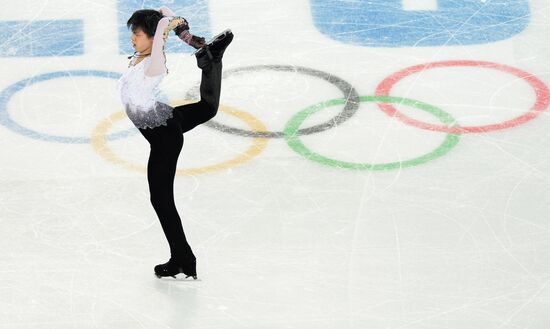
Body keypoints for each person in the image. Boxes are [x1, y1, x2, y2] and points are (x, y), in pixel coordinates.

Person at [116, 6, 233, 280]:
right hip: (163, 115)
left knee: (161, 199)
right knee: (206, 108)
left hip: (164, 137)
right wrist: (180, 30)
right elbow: (164, 13)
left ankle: (183, 258)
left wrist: (167, 26)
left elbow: (162, 27)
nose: (133, 37)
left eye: (138, 33)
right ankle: (211, 60)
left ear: (152, 37)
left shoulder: (153, 64)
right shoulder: (140, 56)